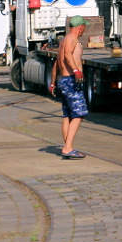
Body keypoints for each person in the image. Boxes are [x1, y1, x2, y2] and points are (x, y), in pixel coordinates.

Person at [50, 15, 88, 159]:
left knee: (68, 115)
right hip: (71, 80)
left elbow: (56, 64)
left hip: (63, 80)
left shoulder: (63, 41)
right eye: (84, 27)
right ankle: (67, 148)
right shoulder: (72, 39)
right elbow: (67, 56)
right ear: (81, 27)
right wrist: (77, 71)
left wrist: (53, 82)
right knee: (80, 113)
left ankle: (68, 146)